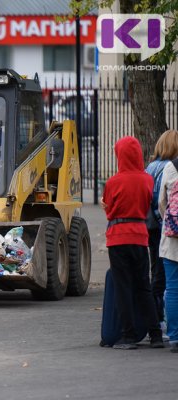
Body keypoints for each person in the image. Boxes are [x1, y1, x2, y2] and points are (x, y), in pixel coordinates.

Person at [101, 136, 163, 350]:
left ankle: (128, 335)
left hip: (118, 236)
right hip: (139, 235)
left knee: (123, 287)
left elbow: (110, 210)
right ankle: (155, 335)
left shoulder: (112, 182)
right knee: (143, 286)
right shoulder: (147, 179)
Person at [145, 129, 178, 326]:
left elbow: (158, 201)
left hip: (153, 227)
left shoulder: (150, 168)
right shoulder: (170, 167)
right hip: (166, 228)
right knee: (167, 279)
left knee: (156, 272)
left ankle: (157, 319)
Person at [158, 150, 178, 353]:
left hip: (172, 241)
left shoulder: (171, 167)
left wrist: (171, 223)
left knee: (172, 288)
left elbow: (161, 203)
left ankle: (175, 337)